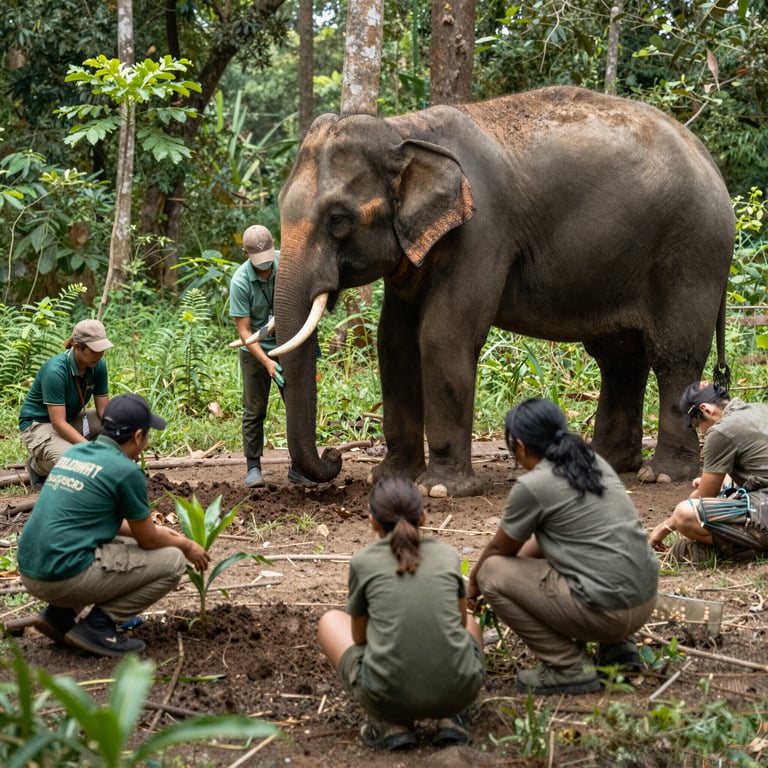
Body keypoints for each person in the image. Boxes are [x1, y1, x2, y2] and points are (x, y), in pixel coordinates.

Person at [468, 398, 658, 696]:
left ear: (519, 445)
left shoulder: (534, 485)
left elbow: (498, 553)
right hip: (644, 600)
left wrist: (470, 587)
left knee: (491, 573)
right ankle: (619, 651)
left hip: (608, 613)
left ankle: (568, 667)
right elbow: (544, 544)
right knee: (592, 554)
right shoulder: (592, 462)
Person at [17, 393, 210, 657]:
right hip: (60, 577)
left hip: (32, 568)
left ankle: (58, 616)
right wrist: (186, 544)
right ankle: (98, 626)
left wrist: (158, 532)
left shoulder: (78, 453)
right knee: (173, 561)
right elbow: (148, 542)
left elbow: (96, 521)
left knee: (118, 543)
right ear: (139, 436)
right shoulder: (126, 471)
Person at [317, 477, 485, 751]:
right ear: (424, 516)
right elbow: (460, 623)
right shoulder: (447, 555)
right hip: (458, 692)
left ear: (372, 520)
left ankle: (388, 723)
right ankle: (449, 717)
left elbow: (359, 639)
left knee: (329, 621)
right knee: (472, 624)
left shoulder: (363, 561)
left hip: (388, 697)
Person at [230, 224, 313, 488]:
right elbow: (244, 331)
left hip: (291, 345)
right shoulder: (240, 282)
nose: (265, 268)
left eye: (268, 261)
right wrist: (265, 361)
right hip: (256, 351)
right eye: (259, 263)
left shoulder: (286, 266)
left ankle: (299, 465)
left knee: (298, 406)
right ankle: (253, 467)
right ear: (245, 253)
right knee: (254, 410)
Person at [650, 381, 768, 564]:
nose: (702, 433)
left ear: (706, 410)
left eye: (698, 426)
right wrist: (713, 482)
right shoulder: (759, 409)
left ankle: (745, 551)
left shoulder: (721, 431)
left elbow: (703, 497)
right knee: (725, 481)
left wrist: (666, 525)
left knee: (684, 513)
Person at [19, 319, 113, 490]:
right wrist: (90, 449)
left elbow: (104, 410)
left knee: (118, 425)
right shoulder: (55, 371)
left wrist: (120, 436)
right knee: (74, 462)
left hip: (68, 420)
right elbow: (58, 423)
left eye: (102, 349)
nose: (100, 354)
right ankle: (37, 466)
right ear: (77, 346)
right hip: (38, 425)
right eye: (94, 349)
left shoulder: (98, 365)